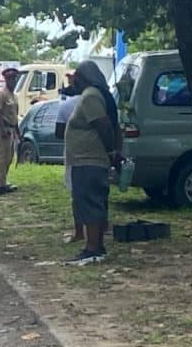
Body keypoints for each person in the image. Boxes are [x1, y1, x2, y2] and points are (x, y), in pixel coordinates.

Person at [64, 61, 121, 265]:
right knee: (92, 202)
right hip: (87, 159)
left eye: (76, 77)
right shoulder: (97, 95)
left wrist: (111, 151)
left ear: (84, 78)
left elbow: (104, 125)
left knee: (89, 203)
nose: (74, 82)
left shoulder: (90, 96)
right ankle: (95, 245)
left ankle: (93, 247)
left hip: (89, 160)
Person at [55, 79, 83, 243]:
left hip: (73, 151)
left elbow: (58, 133)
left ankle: (79, 231)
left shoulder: (65, 106)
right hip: (96, 151)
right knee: (98, 192)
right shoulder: (98, 100)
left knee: (76, 192)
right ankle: (101, 227)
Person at [0, 68, 21, 195]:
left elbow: (14, 115)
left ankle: (3, 181)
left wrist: (17, 131)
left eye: (14, 79)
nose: (13, 82)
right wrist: (3, 129)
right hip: (2, 129)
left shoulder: (14, 96)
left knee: (9, 158)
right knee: (2, 158)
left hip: (11, 129)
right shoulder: (0, 94)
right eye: (10, 79)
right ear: (6, 80)